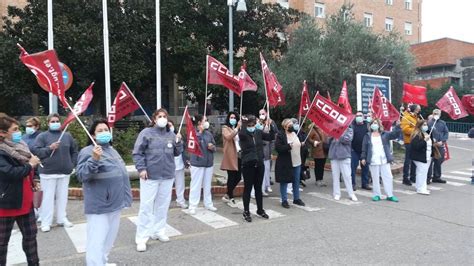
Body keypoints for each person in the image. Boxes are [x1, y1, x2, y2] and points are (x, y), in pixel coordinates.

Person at [76, 119, 132, 265]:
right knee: (96, 241)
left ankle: (103, 261)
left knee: (109, 239)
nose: (104, 132)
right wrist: (94, 160)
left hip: (116, 202)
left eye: (106, 129)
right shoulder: (87, 151)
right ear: (93, 136)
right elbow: (82, 176)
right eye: (99, 131)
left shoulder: (112, 151)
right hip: (99, 205)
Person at [133, 108, 183, 252]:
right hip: (150, 176)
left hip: (167, 175)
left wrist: (179, 142)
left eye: (164, 116)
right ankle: (141, 238)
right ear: (154, 119)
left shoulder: (171, 134)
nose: (162, 118)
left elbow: (177, 153)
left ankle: (158, 231)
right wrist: (141, 169)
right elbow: (137, 152)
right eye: (159, 116)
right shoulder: (146, 133)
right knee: (146, 207)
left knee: (162, 205)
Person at [0, 113, 41, 266]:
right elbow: (10, 173)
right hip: (6, 204)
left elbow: (33, 161)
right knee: (2, 244)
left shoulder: (21, 146)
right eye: (15, 129)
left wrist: (34, 177)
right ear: (2, 133)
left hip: (26, 201)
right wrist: (30, 165)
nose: (19, 132)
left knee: (31, 239)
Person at [33, 113, 77, 232]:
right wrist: (49, 148)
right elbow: (36, 151)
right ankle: (46, 221)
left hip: (64, 172)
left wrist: (72, 164)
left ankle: (61, 218)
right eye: (52, 121)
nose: (55, 123)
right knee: (47, 198)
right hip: (48, 172)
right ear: (48, 123)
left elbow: (74, 151)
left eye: (57, 121)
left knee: (63, 197)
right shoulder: (42, 136)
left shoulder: (66, 135)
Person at [238, 115, 274, 222]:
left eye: (253, 125)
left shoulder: (258, 133)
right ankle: (246, 211)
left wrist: (270, 125)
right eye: (249, 125)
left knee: (258, 188)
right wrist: (243, 124)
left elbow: (271, 136)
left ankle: (260, 209)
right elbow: (243, 133)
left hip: (259, 163)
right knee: (248, 188)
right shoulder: (243, 134)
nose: (251, 127)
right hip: (248, 164)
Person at [361, 119, 401, 202]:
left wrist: (398, 126)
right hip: (373, 160)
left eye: (376, 123)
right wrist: (363, 157)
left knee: (388, 177)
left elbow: (395, 135)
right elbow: (364, 148)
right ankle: (376, 195)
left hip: (384, 159)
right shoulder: (367, 135)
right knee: (375, 178)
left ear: (379, 125)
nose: (374, 125)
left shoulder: (385, 134)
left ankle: (390, 195)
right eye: (372, 123)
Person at [188, 115, 217, 215]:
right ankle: (192, 205)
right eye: (205, 120)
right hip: (197, 163)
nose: (206, 122)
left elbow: (214, 146)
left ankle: (208, 203)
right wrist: (199, 133)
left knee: (207, 185)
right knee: (196, 185)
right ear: (200, 122)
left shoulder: (208, 134)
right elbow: (193, 145)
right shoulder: (193, 133)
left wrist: (212, 147)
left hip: (208, 163)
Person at [275, 119, 306, 208]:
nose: (292, 126)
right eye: (290, 125)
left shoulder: (295, 133)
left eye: (292, 124)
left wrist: (301, 144)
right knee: (284, 181)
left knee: (296, 180)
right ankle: (284, 200)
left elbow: (297, 144)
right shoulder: (281, 135)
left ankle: (296, 198)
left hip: (297, 161)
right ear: (285, 126)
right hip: (286, 162)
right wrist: (288, 146)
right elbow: (278, 148)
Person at [328, 127, 357, 201]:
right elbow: (327, 141)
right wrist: (331, 135)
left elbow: (347, 140)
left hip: (344, 155)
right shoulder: (333, 129)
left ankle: (351, 194)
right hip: (334, 156)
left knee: (347, 176)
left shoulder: (349, 130)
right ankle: (337, 193)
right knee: (335, 176)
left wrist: (338, 134)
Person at [410, 120, 438, 195]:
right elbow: (416, 146)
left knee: (423, 172)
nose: (426, 126)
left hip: (428, 156)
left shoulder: (427, 133)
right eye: (424, 125)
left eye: (426, 125)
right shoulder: (416, 134)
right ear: (419, 126)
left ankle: (421, 187)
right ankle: (421, 189)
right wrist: (424, 140)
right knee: (422, 173)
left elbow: (430, 144)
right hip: (420, 157)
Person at [220, 112, 242, 207]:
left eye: (234, 117)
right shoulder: (225, 128)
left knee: (238, 177)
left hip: (239, 154)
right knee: (231, 176)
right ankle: (231, 197)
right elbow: (229, 137)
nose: (232, 119)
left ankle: (228, 194)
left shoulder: (239, 129)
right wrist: (237, 128)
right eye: (231, 117)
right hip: (230, 155)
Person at [168, 120, 189, 209]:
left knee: (180, 184)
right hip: (169, 165)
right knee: (167, 185)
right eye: (168, 126)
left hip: (179, 164)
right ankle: (166, 202)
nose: (170, 127)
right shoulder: (163, 137)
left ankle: (180, 201)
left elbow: (182, 149)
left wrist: (180, 140)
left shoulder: (178, 135)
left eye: (171, 125)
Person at [400, 104, 421, 186]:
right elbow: (405, 129)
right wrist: (415, 130)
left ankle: (413, 177)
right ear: (414, 109)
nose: (419, 110)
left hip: (416, 141)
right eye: (418, 109)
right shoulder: (406, 117)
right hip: (409, 141)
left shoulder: (417, 118)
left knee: (414, 160)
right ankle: (405, 178)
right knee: (408, 160)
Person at [427, 109, 448, 184]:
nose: (436, 115)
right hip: (432, 145)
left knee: (439, 161)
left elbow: (446, 133)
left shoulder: (443, 123)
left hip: (440, 145)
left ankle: (437, 177)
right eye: (435, 113)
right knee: (430, 162)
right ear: (432, 114)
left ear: (440, 114)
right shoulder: (429, 123)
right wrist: (432, 141)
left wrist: (442, 141)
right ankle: (428, 178)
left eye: (438, 114)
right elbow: (426, 133)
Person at [258, 109, 278, 185]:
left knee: (269, 162)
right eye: (260, 114)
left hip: (269, 146)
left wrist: (270, 125)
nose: (261, 115)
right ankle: (262, 179)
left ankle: (268, 178)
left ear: (266, 113)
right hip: (262, 146)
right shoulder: (258, 123)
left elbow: (275, 133)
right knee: (263, 163)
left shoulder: (271, 122)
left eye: (263, 113)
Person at [351, 111, 370, 190]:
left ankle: (365, 184)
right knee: (352, 168)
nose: (359, 117)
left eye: (360, 115)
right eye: (357, 115)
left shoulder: (367, 125)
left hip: (364, 151)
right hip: (354, 150)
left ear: (363, 117)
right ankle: (352, 184)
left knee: (365, 168)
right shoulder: (352, 125)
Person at [292, 118, 310, 188]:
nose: (296, 125)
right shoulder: (293, 132)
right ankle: (297, 180)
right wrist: (300, 143)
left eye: (297, 123)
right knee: (297, 167)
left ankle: (300, 179)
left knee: (301, 166)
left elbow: (305, 139)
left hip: (303, 151)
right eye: (295, 123)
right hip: (297, 152)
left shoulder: (300, 131)